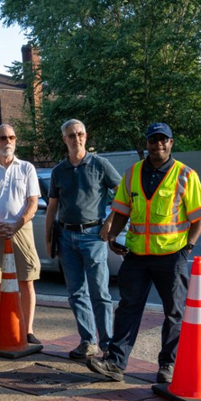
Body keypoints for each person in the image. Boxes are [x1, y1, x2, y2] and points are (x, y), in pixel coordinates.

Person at [88, 123, 201, 384]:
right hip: (137, 255)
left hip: (171, 255)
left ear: (171, 143)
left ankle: (168, 365)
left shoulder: (185, 175)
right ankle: (115, 363)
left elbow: (200, 216)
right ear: (146, 143)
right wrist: (111, 237)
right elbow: (122, 210)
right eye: (153, 139)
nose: (158, 144)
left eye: (163, 139)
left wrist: (187, 247)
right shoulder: (132, 173)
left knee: (173, 312)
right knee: (127, 309)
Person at [44, 119, 121, 361]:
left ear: (85, 136)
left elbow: (123, 194)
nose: (76, 138)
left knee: (100, 292)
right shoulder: (58, 171)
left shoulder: (101, 165)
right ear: (64, 139)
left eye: (80, 134)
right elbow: (52, 208)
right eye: (71, 135)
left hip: (93, 236)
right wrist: (49, 240)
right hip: (66, 237)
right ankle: (88, 342)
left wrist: (110, 222)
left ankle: (107, 345)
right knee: (76, 293)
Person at [0, 124, 41, 346]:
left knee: (27, 280)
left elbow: (33, 202)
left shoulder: (27, 168)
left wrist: (17, 224)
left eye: (12, 137)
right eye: (3, 138)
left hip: (22, 228)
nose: (8, 141)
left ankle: (28, 330)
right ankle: (0, 328)